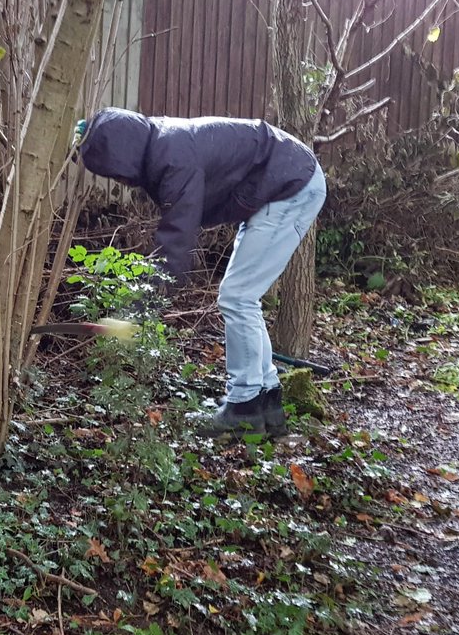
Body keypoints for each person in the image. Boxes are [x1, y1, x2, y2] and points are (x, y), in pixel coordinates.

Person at [76, 108, 326, 438]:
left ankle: (245, 405)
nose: (119, 180)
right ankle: (268, 405)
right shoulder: (164, 146)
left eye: (114, 171)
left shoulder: (173, 159)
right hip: (281, 182)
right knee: (241, 296)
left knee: (238, 297)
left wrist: (136, 313)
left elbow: (175, 252)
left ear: (125, 154)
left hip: (290, 184)